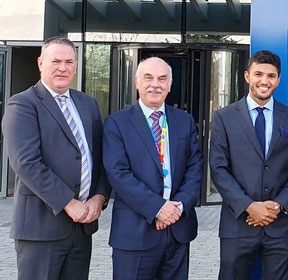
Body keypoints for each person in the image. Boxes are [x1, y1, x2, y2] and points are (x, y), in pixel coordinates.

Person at [1, 37, 111, 280]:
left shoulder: (88, 104)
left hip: (81, 228)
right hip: (41, 228)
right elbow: (26, 162)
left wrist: (99, 198)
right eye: (56, 61)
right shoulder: (23, 104)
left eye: (69, 61)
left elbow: (102, 155)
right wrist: (68, 203)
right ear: (40, 63)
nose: (63, 67)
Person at [209, 50, 288, 280]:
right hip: (238, 224)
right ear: (247, 76)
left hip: (280, 225)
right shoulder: (224, 118)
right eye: (258, 74)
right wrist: (249, 206)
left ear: (278, 79)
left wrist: (278, 205)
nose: (264, 81)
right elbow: (218, 168)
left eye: (271, 76)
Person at [103, 57, 203, 279]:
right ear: (137, 82)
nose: (155, 84)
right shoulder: (116, 123)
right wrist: (158, 208)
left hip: (178, 230)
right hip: (135, 232)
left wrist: (177, 209)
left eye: (162, 79)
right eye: (148, 78)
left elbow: (195, 167)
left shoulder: (184, 121)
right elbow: (118, 174)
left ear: (169, 85)